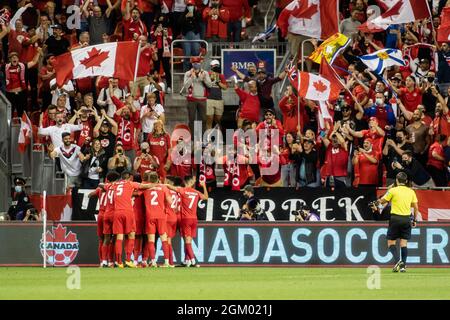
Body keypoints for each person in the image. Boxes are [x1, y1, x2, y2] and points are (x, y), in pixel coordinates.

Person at [375, 172, 420, 273]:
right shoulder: (411, 191)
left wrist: (375, 203)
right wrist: (415, 220)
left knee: (391, 242)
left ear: (396, 180)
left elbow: (382, 201)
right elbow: (416, 207)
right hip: (406, 219)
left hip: (395, 218)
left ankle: (398, 260)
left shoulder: (393, 190)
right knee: (404, 243)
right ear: (406, 181)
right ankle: (403, 265)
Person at [166, 175, 208, 267]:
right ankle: (186, 260)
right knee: (187, 240)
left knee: (187, 241)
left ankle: (193, 261)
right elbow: (206, 197)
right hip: (194, 219)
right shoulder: (196, 192)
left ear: (185, 182)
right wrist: (204, 186)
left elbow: (170, 187)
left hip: (186, 219)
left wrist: (163, 185)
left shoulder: (183, 190)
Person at [142, 171, 172, 268]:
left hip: (150, 216)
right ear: (158, 179)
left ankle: (153, 262)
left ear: (149, 180)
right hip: (161, 216)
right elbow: (170, 202)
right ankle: (166, 262)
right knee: (164, 239)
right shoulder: (163, 188)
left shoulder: (145, 188)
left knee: (151, 240)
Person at [206, 60, 228, 129]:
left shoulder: (221, 76)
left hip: (219, 100)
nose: (216, 67)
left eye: (217, 66)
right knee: (209, 120)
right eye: (214, 66)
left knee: (218, 121)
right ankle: (208, 138)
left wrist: (218, 81)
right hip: (209, 99)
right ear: (211, 66)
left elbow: (225, 87)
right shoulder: (207, 74)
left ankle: (219, 138)